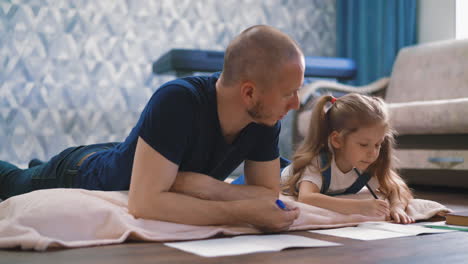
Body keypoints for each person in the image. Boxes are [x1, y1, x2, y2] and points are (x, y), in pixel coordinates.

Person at [0, 25, 304, 232]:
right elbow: (145, 203)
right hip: (81, 170)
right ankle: (40, 168)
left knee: (125, 156)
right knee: (13, 180)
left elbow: (266, 194)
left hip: (126, 156)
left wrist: (206, 187)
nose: (296, 103)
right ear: (249, 93)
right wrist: (241, 211)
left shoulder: (265, 116)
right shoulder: (177, 100)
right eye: (289, 93)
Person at [281, 93, 415, 224]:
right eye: (363, 144)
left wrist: (397, 206)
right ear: (337, 140)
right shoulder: (319, 163)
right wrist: (360, 206)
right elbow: (307, 198)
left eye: (377, 144)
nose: (373, 153)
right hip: (277, 176)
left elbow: (397, 187)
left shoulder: (367, 164)